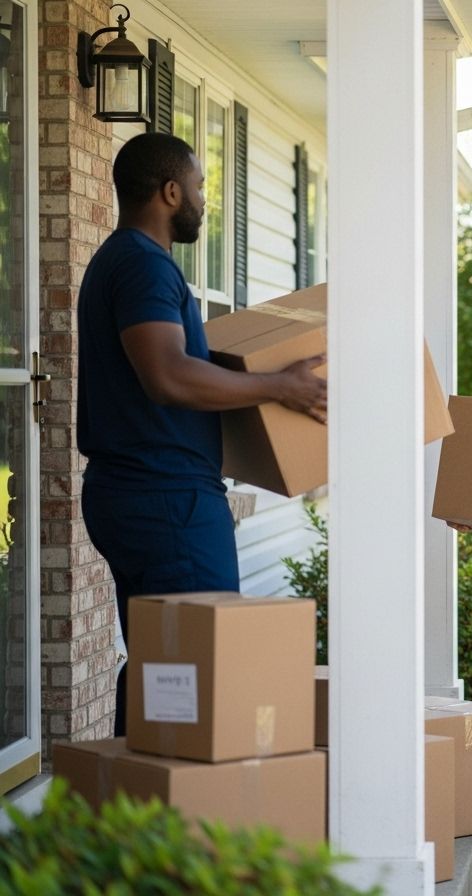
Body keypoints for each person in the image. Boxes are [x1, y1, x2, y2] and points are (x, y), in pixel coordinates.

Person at [77, 132, 328, 736]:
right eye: (200, 186)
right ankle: (181, 812)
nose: (204, 199)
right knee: (196, 667)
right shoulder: (142, 265)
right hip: (165, 499)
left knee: (164, 667)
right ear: (170, 191)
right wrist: (279, 386)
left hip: (141, 493)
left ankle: (137, 809)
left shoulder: (124, 260)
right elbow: (168, 376)